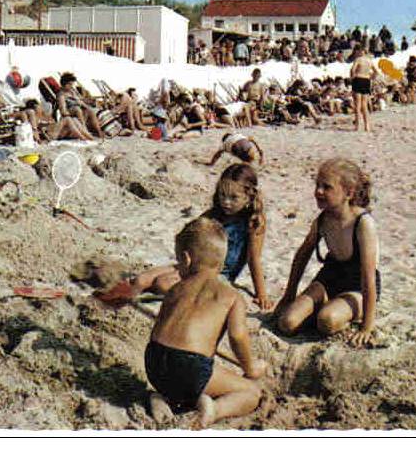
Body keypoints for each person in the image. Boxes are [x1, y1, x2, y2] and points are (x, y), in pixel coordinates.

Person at [145, 217, 268, 427]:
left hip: (154, 363)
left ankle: (165, 397)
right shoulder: (231, 296)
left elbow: (161, 327)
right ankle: (213, 411)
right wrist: (250, 367)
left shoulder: (175, 289)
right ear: (221, 263)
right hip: (190, 368)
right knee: (251, 392)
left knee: (181, 378)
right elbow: (238, 336)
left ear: (187, 259)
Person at [131, 164, 271, 310]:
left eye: (234, 198)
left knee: (163, 283)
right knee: (142, 279)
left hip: (217, 274)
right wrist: (184, 262)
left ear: (249, 197)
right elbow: (188, 235)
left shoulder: (253, 222)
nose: (226, 202)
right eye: (222, 195)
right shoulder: (214, 214)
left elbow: (253, 259)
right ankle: (123, 303)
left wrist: (261, 294)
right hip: (193, 264)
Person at [275, 158, 380, 345]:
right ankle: (321, 307)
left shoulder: (362, 223)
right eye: (317, 185)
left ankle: (339, 311)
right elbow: (302, 256)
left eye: (327, 187)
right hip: (330, 277)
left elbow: (369, 276)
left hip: (357, 286)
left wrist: (367, 326)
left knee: (327, 321)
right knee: (287, 322)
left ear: (349, 192)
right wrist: (289, 294)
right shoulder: (323, 220)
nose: (318, 192)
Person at [349, 44, 376, 132]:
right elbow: (376, 72)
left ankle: (357, 126)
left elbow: (353, 70)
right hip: (366, 80)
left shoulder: (358, 59)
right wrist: (370, 77)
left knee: (357, 105)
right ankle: (366, 125)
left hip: (358, 79)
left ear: (360, 52)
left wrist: (352, 78)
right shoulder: (369, 61)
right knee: (364, 105)